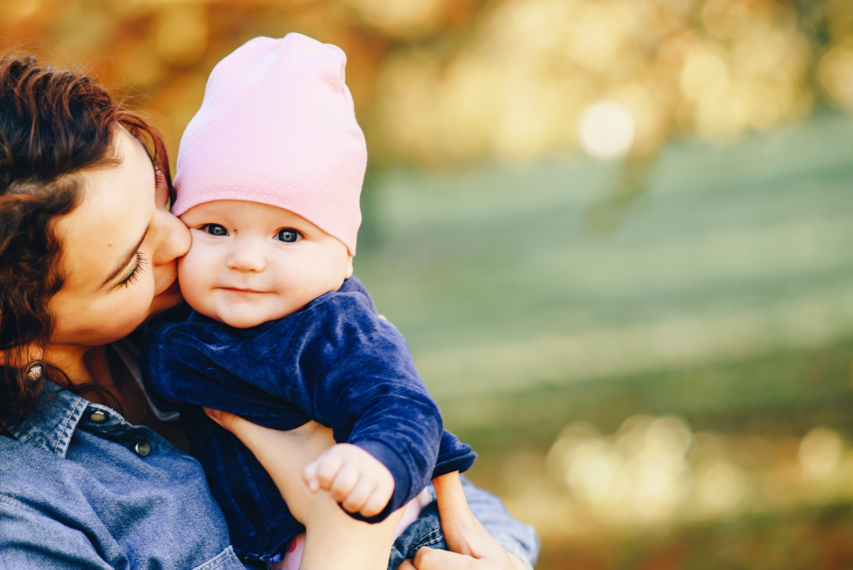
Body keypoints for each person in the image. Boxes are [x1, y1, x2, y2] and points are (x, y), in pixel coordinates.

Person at [0, 53, 539, 570]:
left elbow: (442, 477)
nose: (182, 238)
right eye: (131, 265)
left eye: (164, 200)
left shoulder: (232, 315)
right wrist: (345, 538)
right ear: (16, 340)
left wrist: (500, 555)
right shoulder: (21, 513)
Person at [141, 33, 477, 567]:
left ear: (344, 258)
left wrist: (378, 462)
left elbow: (402, 405)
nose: (246, 258)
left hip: (387, 540)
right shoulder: (177, 316)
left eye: (288, 235)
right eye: (215, 227)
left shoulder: (333, 330)